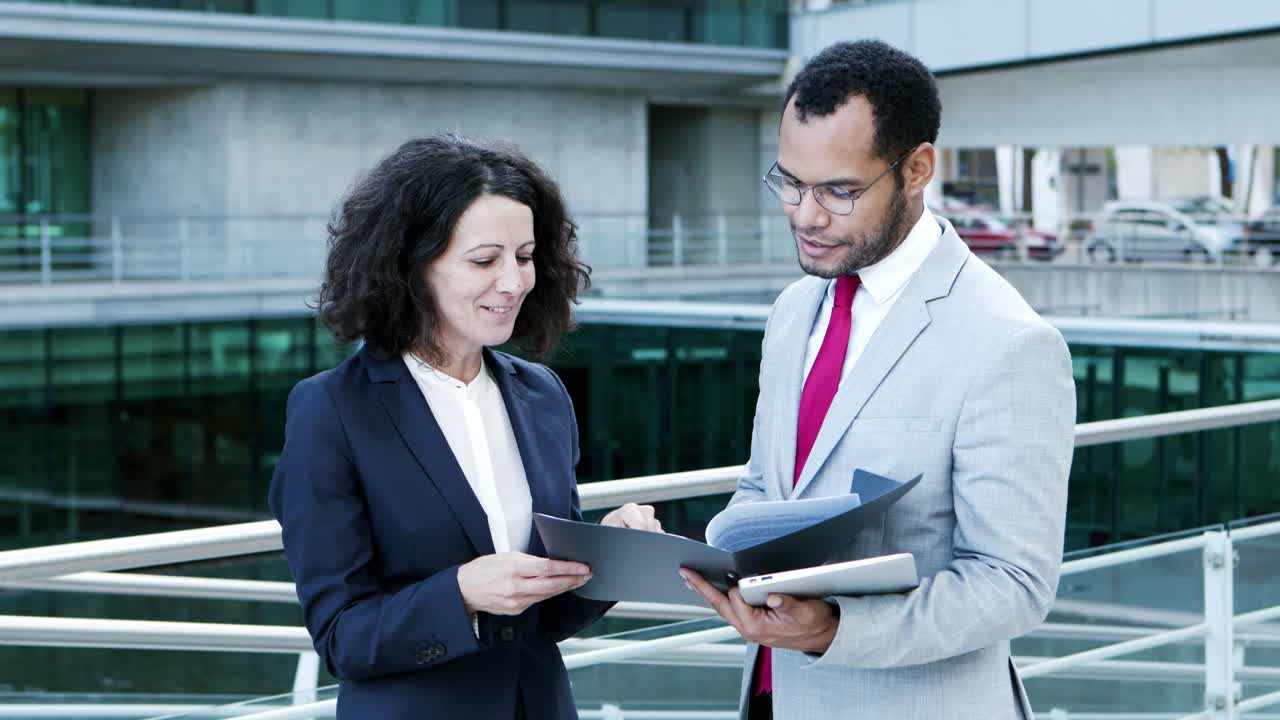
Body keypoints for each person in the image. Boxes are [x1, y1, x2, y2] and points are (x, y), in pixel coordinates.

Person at [679, 40, 1076, 719]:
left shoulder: (1008, 342)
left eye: (839, 191)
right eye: (791, 182)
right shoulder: (793, 309)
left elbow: (1014, 583)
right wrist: (706, 554)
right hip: (775, 697)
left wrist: (835, 629)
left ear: (917, 168)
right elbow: (766, 485)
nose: (805, 215)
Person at [269, 133, 662, 720]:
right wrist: (460, 595)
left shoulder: (542, 395)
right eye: (484, 260)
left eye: (525, 257)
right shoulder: (331, 413)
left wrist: (611, 557)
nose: (513, 282)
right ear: (412, 265)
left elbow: (546, 617)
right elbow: (343, 637)